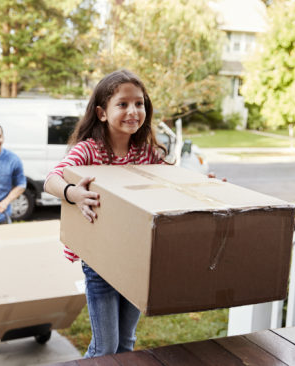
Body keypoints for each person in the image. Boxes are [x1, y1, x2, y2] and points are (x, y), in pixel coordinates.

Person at [44, 70, 226, 358]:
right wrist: (73, 193)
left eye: (139, 103)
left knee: (126, 343)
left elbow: (175, 182)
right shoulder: (89, 150)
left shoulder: (146, 153)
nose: (133, 111)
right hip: (100, 260)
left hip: (136, 258)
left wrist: (206, 186)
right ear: (102, 113)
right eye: (123, 104)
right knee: (105, 346)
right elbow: (51, 179)